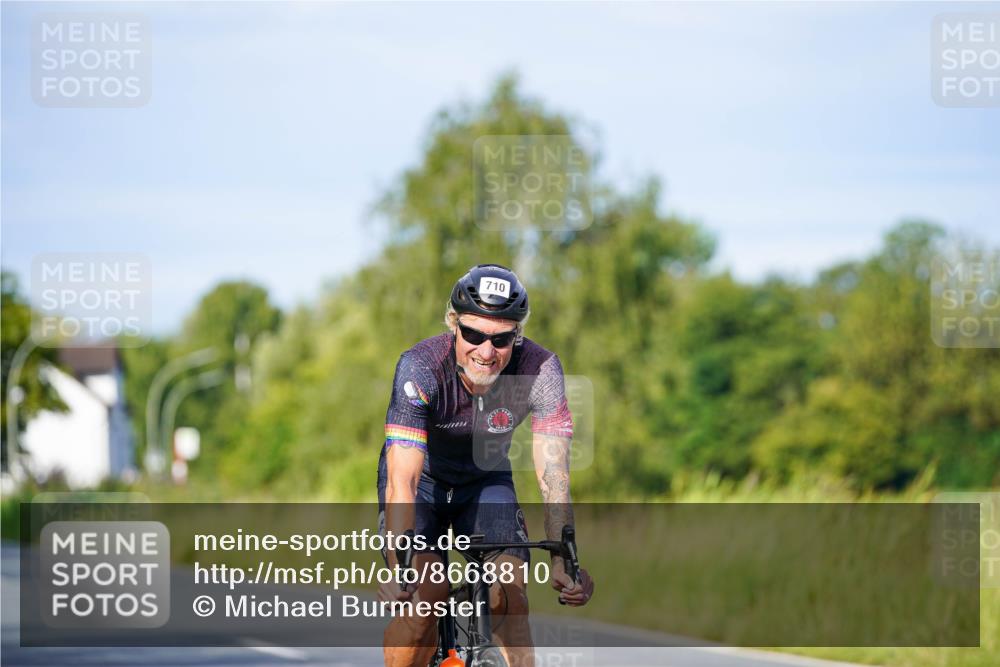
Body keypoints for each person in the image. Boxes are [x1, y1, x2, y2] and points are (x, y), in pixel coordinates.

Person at [377, 263, 594, 667]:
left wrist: (565, 559)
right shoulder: (420, 367)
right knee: (426, 597)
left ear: (518, 335)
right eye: (473, 334)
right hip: (422, 485)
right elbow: (402, 482)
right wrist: (398, 565)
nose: (486, 351)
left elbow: (554, 476)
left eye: (501, 339)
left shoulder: (540, 370)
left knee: (510, 595)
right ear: (453, 325)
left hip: (485, 481)